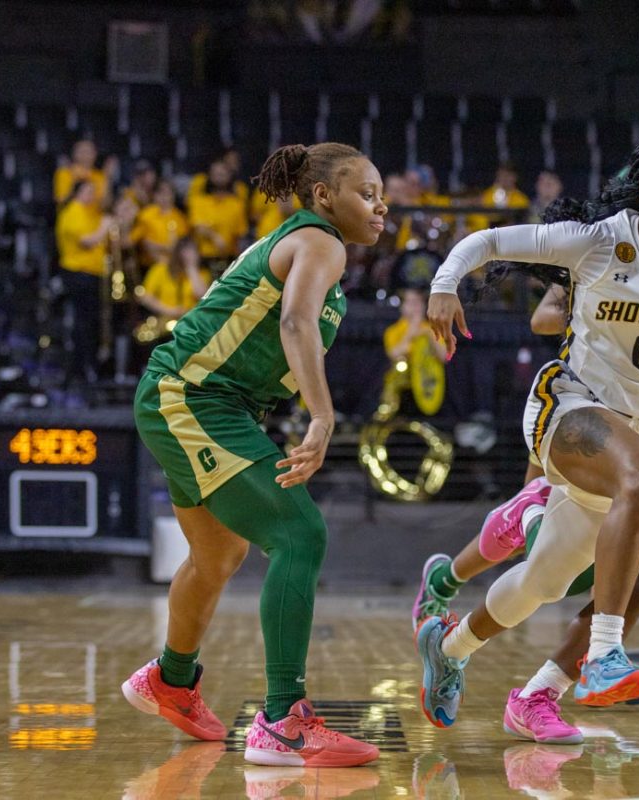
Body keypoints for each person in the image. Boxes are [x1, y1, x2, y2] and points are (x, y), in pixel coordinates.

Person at [411, 158, 639, 741]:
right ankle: (604, 655)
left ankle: (450, 646)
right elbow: (487, 240)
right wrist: (442, 285)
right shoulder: (600, 241)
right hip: (569, 406)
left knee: (542, 585)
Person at [121, 142, 387, 768]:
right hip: (193, 397)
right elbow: (295, 324)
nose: (381, 209)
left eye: (382, 197)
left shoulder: (308, 243)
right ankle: (283, 722)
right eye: (367, 194)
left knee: (219, 554)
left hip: (204, 400)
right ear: (324, 196)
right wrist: (323, 417)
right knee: (299, 532)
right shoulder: (322, 241)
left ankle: (171, 680)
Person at [55, 179, 115, 383]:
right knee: (83, 323)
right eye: (89, 190)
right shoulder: (73, 211)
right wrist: (104, 227)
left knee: (91, 323)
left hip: (93, 274)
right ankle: (79, 369)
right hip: (79, 274)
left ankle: (87, 366)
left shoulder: (90, 212)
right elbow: (87, 241)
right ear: (78, 192)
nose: (93, 195)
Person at [189, 158, 249, 264]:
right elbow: (198, 227)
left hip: (230, 258)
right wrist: (214, 236)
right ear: (210, 176)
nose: (219, 176)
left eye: (222, 173)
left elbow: (240, 234)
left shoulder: (237, 204)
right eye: (216, 173)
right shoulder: (199, 201)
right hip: (204, 259)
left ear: (229, 176)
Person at [137, 237, 212, 322]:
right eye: (184, 251)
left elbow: (202, 296)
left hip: (193, 322)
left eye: (193, 251)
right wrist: (169, 310)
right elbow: (146, 297)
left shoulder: (203, 274)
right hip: (165, 320)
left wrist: (191, 268)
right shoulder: (160, 269)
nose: (188, 255)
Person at [133, 179, 190, 269]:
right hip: (147, 265)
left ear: (173, 195)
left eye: (168, 193)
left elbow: (180, 246)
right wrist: (165, 248)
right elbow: (142, 242)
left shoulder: (180, 218)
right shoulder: (145, 214)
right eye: (160, 193)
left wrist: (161, 247)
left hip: (173, 266)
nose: (164, 197)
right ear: (154, 195)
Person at [53, 138, 109, 208]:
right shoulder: (64, 173)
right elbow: (61, 200)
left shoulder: (100, 175)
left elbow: (105, 205)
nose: (85, 155)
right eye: (82, 151)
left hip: (95, 217)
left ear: (95, 154)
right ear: (74, 154)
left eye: (89, 151)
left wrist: (108, 177)